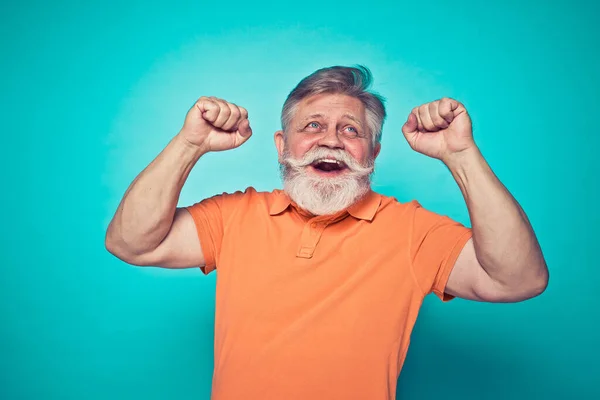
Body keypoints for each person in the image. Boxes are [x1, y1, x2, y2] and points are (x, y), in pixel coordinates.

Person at [105, 65, 549, 399]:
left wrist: (461, 155)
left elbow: (519, 279)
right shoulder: (234, 216)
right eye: (313, 125)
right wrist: (190, 144)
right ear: (282, 145)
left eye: (350, 130)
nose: (331, 139)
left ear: (372, 153)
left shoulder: (413, 231)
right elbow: (130, 242)